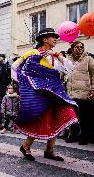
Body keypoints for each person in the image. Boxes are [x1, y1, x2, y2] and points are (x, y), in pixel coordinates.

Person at [11, 28, 78, 161]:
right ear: (44, 39)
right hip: (40, 95)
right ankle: (25, 146)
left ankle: (49, 150)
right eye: (52, 36)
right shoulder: (32, 53)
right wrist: (30, 87)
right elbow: (15, 68)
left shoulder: (55, 55)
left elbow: (70, 69)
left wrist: (58, 56)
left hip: (56, 93)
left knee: (56, 120)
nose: (55, 39)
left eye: (55, 36)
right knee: (40, 120)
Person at [64, 41, 94, 145]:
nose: (80, 49)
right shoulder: (68, 60)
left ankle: (84, 137)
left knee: (84, 116)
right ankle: (73, 135)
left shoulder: (88, 59)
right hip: (71, 93)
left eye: (82, 47)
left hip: (84, 93)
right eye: (77, 47)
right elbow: (64, 74)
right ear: (72, 49)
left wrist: (93, 90)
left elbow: (93, 75)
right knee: (73, 116)